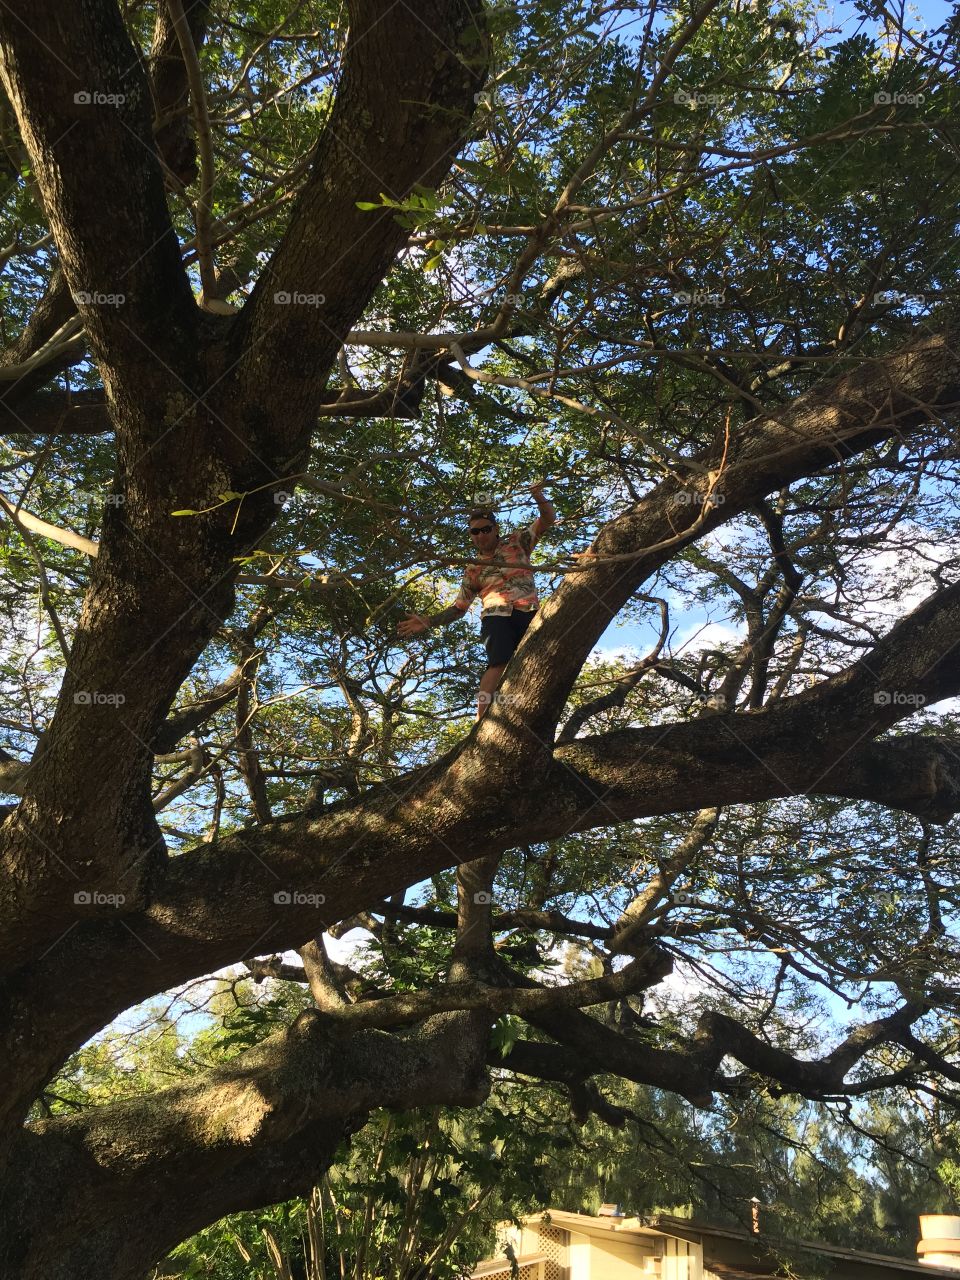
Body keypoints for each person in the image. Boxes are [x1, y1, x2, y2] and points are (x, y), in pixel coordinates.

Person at [398, 483, 556, 718]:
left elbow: (548, 519)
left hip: (529, 612)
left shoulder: (518, 542)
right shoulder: (473, 569)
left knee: (539, 661)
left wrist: (537, 495)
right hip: (496, 616)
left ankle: (532, 711)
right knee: (498, 664)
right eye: (475, 531)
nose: (481, 534)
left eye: (485, 529)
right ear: (471, 536)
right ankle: (482, 719)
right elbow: (459, 607)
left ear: (495, 529)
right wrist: (429, 621)